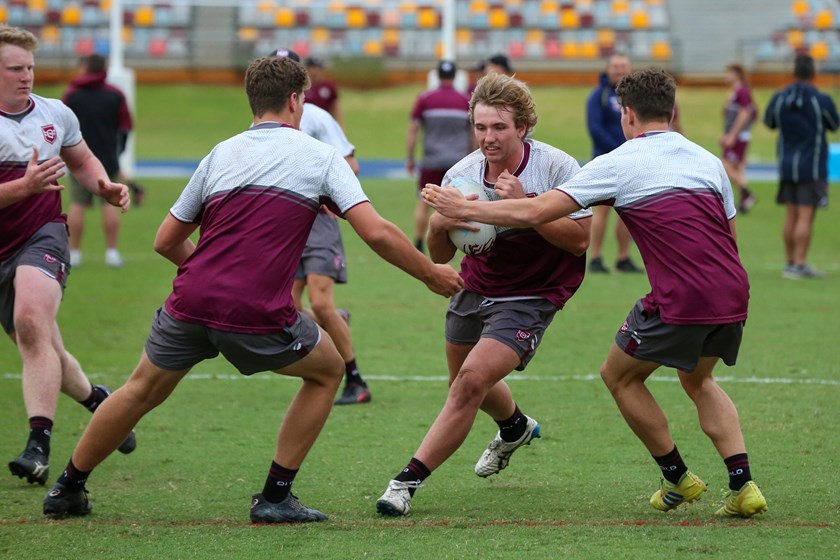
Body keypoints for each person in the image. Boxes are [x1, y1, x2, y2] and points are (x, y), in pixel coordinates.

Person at [41, 54, 463, 522]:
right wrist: (431, 273)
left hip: (190, 299)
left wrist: (206, 274)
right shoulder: (320, 155)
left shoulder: (221, 153)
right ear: (295, 100)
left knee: (139, 390)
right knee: (327, 371)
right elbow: (377, 232)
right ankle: (275, 497)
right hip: (255, 308)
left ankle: (66, 488)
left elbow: (165, 241)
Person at [425, 67, 768, 519]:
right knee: (699, 380)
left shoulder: (618, 162)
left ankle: (677, 477)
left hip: (681, 294)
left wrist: (458, 207)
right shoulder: (708, 162)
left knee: (619, 376)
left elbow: (538, 212)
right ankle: (743, 485)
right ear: (671, 111)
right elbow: (730, 238)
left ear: (627, 115)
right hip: (733, 290)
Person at [376, 72, 591, 517]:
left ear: (523, 127)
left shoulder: (557, 168)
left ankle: (405, 482)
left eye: (499, 127)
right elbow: (440, 255)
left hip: (533, 294)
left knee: (470, 383)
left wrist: (527, 206)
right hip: (476, 287)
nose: (488, 138)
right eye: (480, 127)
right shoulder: (461, 174)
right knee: (464, 381)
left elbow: (579, 241)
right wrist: (440, 223)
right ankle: (514, 427)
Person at [0, 26, 135, 487]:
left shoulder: (55, 113)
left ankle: (37, 446)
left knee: (30, 323)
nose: (26, 76)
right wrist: (23, 186)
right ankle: (99, 401)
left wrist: (104, 186)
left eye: (30, 68)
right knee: (45, 347)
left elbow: (82, 160)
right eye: (15, 69)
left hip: (42, 236)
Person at [764, 54, 839, 280]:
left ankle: (790, 262)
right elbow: (834, 124)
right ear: (813, 73)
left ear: (793, 72)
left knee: (791, 215)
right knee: (805, 216)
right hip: (811, 165)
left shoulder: (780, 98)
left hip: (786, 164)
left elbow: (769, 122)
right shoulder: (820, 99)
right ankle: (799, 263)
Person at [62, 53, 133, 269]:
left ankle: (74, 253)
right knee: (110, 203)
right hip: (108, 158)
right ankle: (112, 252)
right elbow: (126, 126)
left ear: (85, 67)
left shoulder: (72, 94)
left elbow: (62, 126)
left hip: (77, 158)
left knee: (77, 203)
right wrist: (118, 152)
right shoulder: (115, 95)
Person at [406, 60, 473, 253]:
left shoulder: (425, 98)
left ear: (437, 75)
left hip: (432, 161)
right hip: (458, 162)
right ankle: (460, 243)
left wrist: (410, 157)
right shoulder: (465, 100)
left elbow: (413, 129)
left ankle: (419, 243)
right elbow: (472, 133)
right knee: (461, 203)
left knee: (423, 202)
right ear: (455, 76)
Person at [585, 53, 642, 274]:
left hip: (632, 162)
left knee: (629, 211)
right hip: (605, 161)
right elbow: (595, 128)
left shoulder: (637, 97)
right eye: (615, 66)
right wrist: (618, 151)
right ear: (608, 69)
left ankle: (623, 257)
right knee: (601, 211)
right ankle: (596, 257)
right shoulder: (598, 96)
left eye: (623, 66)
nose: (619, 70)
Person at [721, 62, 758, 214]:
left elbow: (745, 113)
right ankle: (744, 200)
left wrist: (732, 135)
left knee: (725, 165)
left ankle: (748, 194)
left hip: (739, 136)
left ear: (736, 74)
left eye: (729, 72)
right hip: (735, 135)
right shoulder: (735, 91)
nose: (726, 76)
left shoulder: (742, 90)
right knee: (737, 167)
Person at [303, 56, 343, 126]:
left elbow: (335, 108)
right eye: (313, 68)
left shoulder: (328, 86)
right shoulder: (302, 86)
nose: (315, 71)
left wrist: (339, 125)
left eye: (318, 68)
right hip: (306, 123)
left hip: (324, 123)